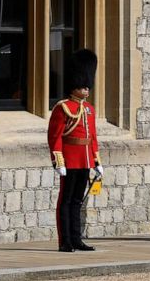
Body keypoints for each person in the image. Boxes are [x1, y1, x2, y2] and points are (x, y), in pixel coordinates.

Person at [47, 49, 102, 253]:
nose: (87, 89)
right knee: (66, 200)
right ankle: (65, 241)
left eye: (88, 85)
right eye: (83, 85)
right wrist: (58, 162)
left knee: (78, 201)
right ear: (74, 85)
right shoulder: (63, 108)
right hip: (69, 160)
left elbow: (92, 137)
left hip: (85, 160)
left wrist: (97, 161)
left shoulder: (89, 109)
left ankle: (77, 239)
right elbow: (55, 137)